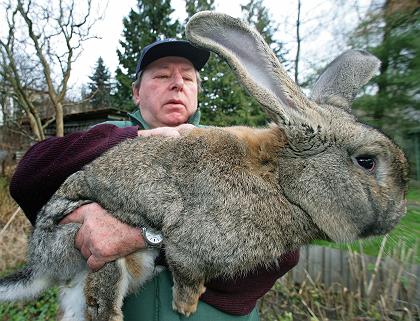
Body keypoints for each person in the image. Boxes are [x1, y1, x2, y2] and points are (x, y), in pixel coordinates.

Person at [10, 38, 299, 321]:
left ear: (197, 90)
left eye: (188, 78)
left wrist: (143, 241)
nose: (177, 84)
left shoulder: (232, 145)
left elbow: (281, 251)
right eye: (162, 75)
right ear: (136, 92)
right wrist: (137, 138)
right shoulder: (106, 137)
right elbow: (29, 176)